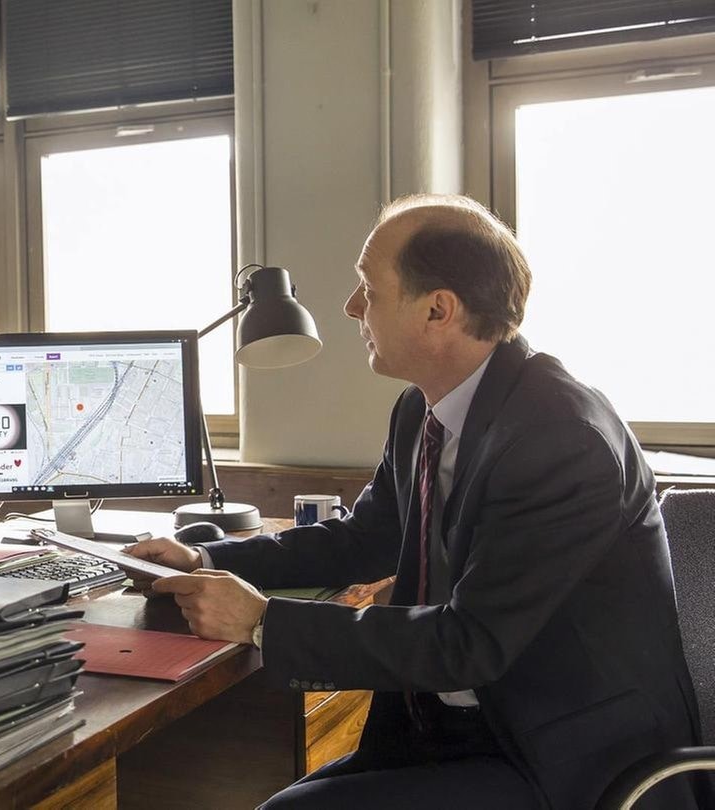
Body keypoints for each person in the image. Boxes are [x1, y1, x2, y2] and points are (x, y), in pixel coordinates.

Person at [129, 194, 705, 809]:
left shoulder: (561, 438)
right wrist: (211, 562)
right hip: (455, 730)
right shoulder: (423, 408)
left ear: (438, 310)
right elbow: (363, 538)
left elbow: (468, 643)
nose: (352, 308)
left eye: (368, 290)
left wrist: (262, 620)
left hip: (566, 760)